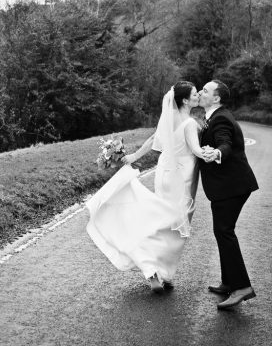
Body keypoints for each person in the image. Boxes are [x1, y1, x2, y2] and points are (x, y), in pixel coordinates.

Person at [85, 81, 212, 292]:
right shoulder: (190, 124)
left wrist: (134, 155)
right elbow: (197, 151)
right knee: (177, 224)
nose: (198, 95)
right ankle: (163, 271)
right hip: (181, 175)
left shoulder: (170, 118)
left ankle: (155, 271)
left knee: (160, 218)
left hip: (164, 173)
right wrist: (213, 153)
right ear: (185, 100)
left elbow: (155, 138)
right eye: (194, 94)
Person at [197, 79, 259, 310]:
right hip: (230, 186)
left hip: (232, 187)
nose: (201, 92)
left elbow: (226, 143)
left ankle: (241, 286)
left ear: (217, 98)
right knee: (222, 231)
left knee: (224, 232)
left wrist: (216, 153)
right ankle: (228, 282)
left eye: (205, 90)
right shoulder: (214, 115)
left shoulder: (221, 118)